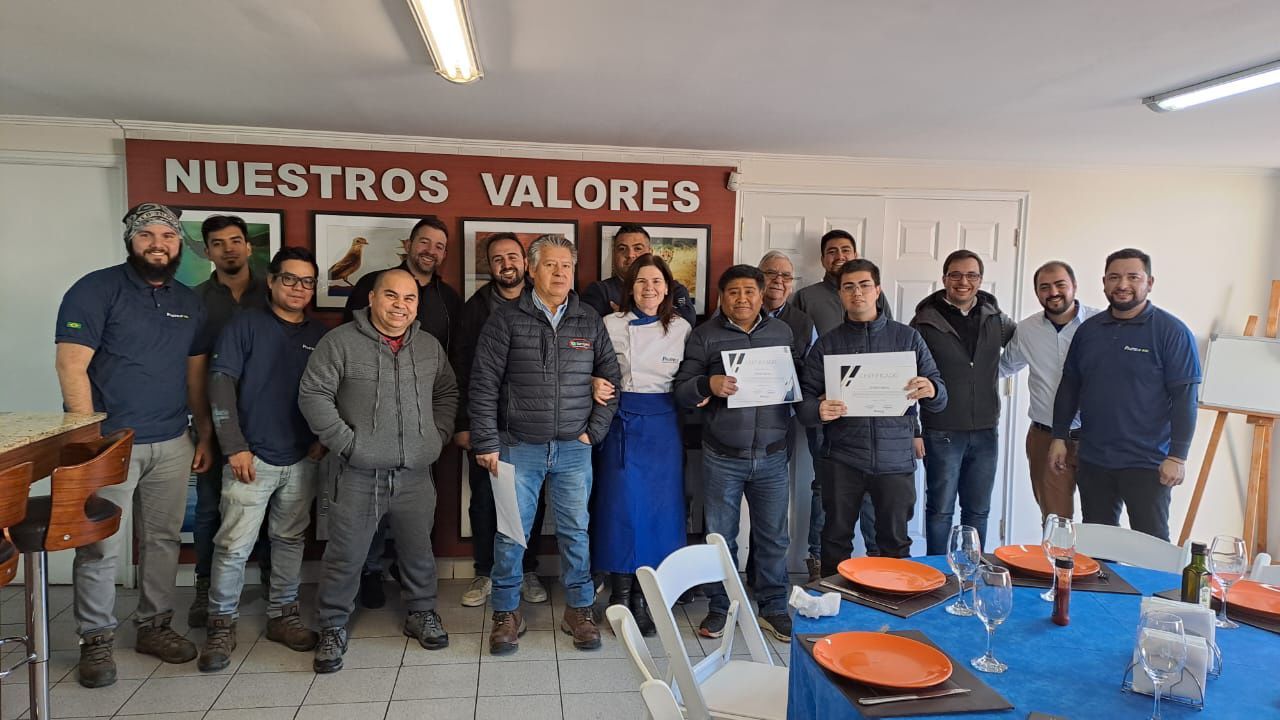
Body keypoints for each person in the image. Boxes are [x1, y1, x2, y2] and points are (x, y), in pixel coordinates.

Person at [54, 202, 214, 687]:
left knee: (163, 541)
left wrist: (202, 430)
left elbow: (194, 374)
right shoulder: (95, 290)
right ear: (130, 241)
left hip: (172, 440)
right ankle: (96, 640)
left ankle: (155, 626)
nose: (158, 244)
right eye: (147, 235)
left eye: (167, 235)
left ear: (179, 245)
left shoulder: (191, 301)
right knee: (100, 546)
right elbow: (71, 366)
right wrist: (87, 440)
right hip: (110, 442)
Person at [299, 269, 459, 673]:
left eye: (409, 298)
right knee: (345, 555)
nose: (400, 306)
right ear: (372, 298)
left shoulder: (428, 347)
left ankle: (421, 612)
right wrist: (349, 444)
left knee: (418, 550)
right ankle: (333, 626)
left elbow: (447, 391)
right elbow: (313, 393)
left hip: (415, 473)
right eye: (391, 296)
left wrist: (436, 436)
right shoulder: (339, 343)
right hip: (356, 473)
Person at [469, 235, 621, 656]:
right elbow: (482, 384)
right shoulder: (504, 320)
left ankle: (579, 610)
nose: (559, 273)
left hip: (574, 448)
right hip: (518, 446)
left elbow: (612, 379)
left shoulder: (588, 320)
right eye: (550, 265)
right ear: (532, 270)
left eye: (566, 266)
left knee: (576, 532)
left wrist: (594, 431)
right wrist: (486, 439)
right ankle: (505, 612)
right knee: (511, 536)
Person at [198, 247, 328, 672]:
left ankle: (282, 615)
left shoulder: (320, 333)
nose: (298, 288)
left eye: (307, 281)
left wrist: (321, 441)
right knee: (234, 545)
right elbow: (220, 384)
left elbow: (331, 392)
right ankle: (221, 623)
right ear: (271, 281)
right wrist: (234, 445)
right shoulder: (246, 325)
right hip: (249, 458)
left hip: (302, 457)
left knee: (290, 541)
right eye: (289, 279)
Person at [674, 265, 805, 643]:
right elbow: (682, 389)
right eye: (734, 292)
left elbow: (798, 382)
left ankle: (773, 606)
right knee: (721, 535)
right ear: (721, 298)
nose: (742, 298)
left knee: (773, 536)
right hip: (722, 455)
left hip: (773, 454)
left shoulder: (782, 332)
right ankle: (721, 605)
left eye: (750, 291)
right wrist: (707, 384)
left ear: (762, 296)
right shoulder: (704, 336)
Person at [343, 215, 462, 609]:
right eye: (424, 242)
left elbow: (453, 368)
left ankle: (411, 582)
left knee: (416, 509)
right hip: (371, 420)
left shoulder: (449, 300)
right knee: (371, 503)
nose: (431, 251)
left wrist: (443, 429)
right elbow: (350, 347)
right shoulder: (371, 285)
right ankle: (371, 570)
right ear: (408, 245)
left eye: (439, 246)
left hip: (422, 424)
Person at [799, 259, 946, 571]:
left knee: (894, 543)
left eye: (864, 285)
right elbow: (804, 403)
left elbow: (940, 396)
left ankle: (892, 612)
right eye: (848, 287)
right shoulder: (829, 343)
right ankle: (836, 609)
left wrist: (930, 389)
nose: (857, 293)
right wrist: (819, 410)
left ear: (877, 290)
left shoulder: (908, 339)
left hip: (895, 462)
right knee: (835, 541)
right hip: (843, 459)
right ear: (840, 294)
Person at [1049, 249, 1200, 541]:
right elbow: (1070, 385)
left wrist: (1178, 456)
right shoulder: (1089, 331)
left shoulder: (1172, 332)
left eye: (1133, 277)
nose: (1123, 284)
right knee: (1098, 546)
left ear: (1150, 282)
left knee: (1152, 546)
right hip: (1094, 460)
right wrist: (1059, 436)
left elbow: (1185, 398)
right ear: (1104, 282)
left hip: (1148, 463)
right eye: (1114, 277)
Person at [591, 254, 693, 637]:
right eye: (641, 282)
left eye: (656, 281)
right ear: (629, 288)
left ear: (667, 287)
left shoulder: (681, 328)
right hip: (620, 419)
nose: (649, 288)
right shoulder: (609, 324)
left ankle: (646, 597)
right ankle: (620, 594)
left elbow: (691, 376)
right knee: (619, 508)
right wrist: (591, 385)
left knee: (658, 511)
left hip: (663, 422)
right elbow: (590, 368)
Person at [451, 232, 549, 608]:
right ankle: (484, 570)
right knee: (484, 501)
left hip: (532, 423)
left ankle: (527, 570)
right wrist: (465, 423)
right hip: (486, 423)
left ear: (526, 261)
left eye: (512, 256)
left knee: (532, 501)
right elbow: (460, 368)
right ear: (488, 267)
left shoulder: (545, 302)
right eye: (496, 259)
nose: (506, 264)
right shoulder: (474, 309)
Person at [189, 214, 271, 629]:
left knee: (275, 513)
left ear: (249, 246)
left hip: (269, 426)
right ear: (208, 251)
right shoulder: (195, 300)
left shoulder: (271, 295)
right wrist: (206, 434)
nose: (229, 249)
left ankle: (275, 588)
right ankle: (207, 589)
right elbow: (195, 372)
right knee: (209, 511)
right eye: (218, 243)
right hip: (215, 425)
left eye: (236, 240)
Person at [911, 249, 1015, 554]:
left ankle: (974, 573)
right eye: (955, 274)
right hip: (941, 430)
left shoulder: (996, 320)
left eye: (971, 275)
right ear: (944, 279)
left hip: (985, 431)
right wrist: (914, 430)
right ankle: (939, 575)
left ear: (980, 280)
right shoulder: (922, 324)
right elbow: (909, 381)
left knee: (978, 510)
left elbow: (1025, 347)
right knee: (941, 510)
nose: (963, 281)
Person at [793, 229, 887, 559]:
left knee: (874, 492)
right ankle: (818, 559)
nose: (839, 256)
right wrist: (812, 401)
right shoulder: (807, 296)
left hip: (871, 411)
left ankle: (878, 560)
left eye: (845, 250)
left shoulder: (873, 297)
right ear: (822, 259)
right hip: (825, 411)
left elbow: (885, 349)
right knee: (824, 488)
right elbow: (798, 350)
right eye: (831, 251)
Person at [999, 260, 1100, 522]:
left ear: (1074, 286)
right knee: (1056, 522)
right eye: (1045, 287)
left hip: (1098, 437)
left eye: (1060, 284)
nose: (1053, 292)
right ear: (1037, 293)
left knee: (1101, 523)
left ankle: (1097, 565)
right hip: (1045, 437)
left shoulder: (1101, 324)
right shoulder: (1027, 329)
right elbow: (1003, 367)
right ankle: (1058, 565)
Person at [757, 250, 821, 580]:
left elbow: (812, 373)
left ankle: (764, 580)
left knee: (771, 513)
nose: (779, 282)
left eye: (786, 276)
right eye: (771, 274)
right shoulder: (735, 311)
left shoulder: (802, 322)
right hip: (732, 429)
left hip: (780, 428)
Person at [581, 223, 697, 325]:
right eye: (622, 249)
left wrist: (627, 314)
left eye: (637, 248)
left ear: (650, 252)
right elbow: (586, 329)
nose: (630, 255)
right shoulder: (599, 291)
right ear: (614, 254)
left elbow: (687, 321)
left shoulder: (673, 288)